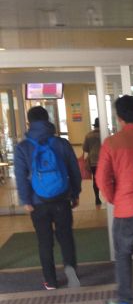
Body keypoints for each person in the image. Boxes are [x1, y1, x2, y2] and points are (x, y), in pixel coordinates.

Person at [14, 105, 81, 291]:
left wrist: (26, 200)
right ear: (47, 120)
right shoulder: (61, 143)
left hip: (37, 202)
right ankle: (71, 270)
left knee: (44, 241)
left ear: (29, 122)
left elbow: (20, 177)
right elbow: (74, 170)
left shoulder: (23, 147)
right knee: (65, 236)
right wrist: (75, 193)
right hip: (62, 198)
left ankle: (50, 281)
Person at [96, 96, 133, 304]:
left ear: (119, 118)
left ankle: (126, 302)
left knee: (123, 255)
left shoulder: (112, 142)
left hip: (126, 208)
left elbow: (102, 178)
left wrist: (114, 198)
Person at [82, 118, 102, 206]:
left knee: (95, 179)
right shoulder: (106, 134)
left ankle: (97, 198)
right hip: (104, 160)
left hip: (93, 161)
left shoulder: (88, 135)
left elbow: (85, 148)